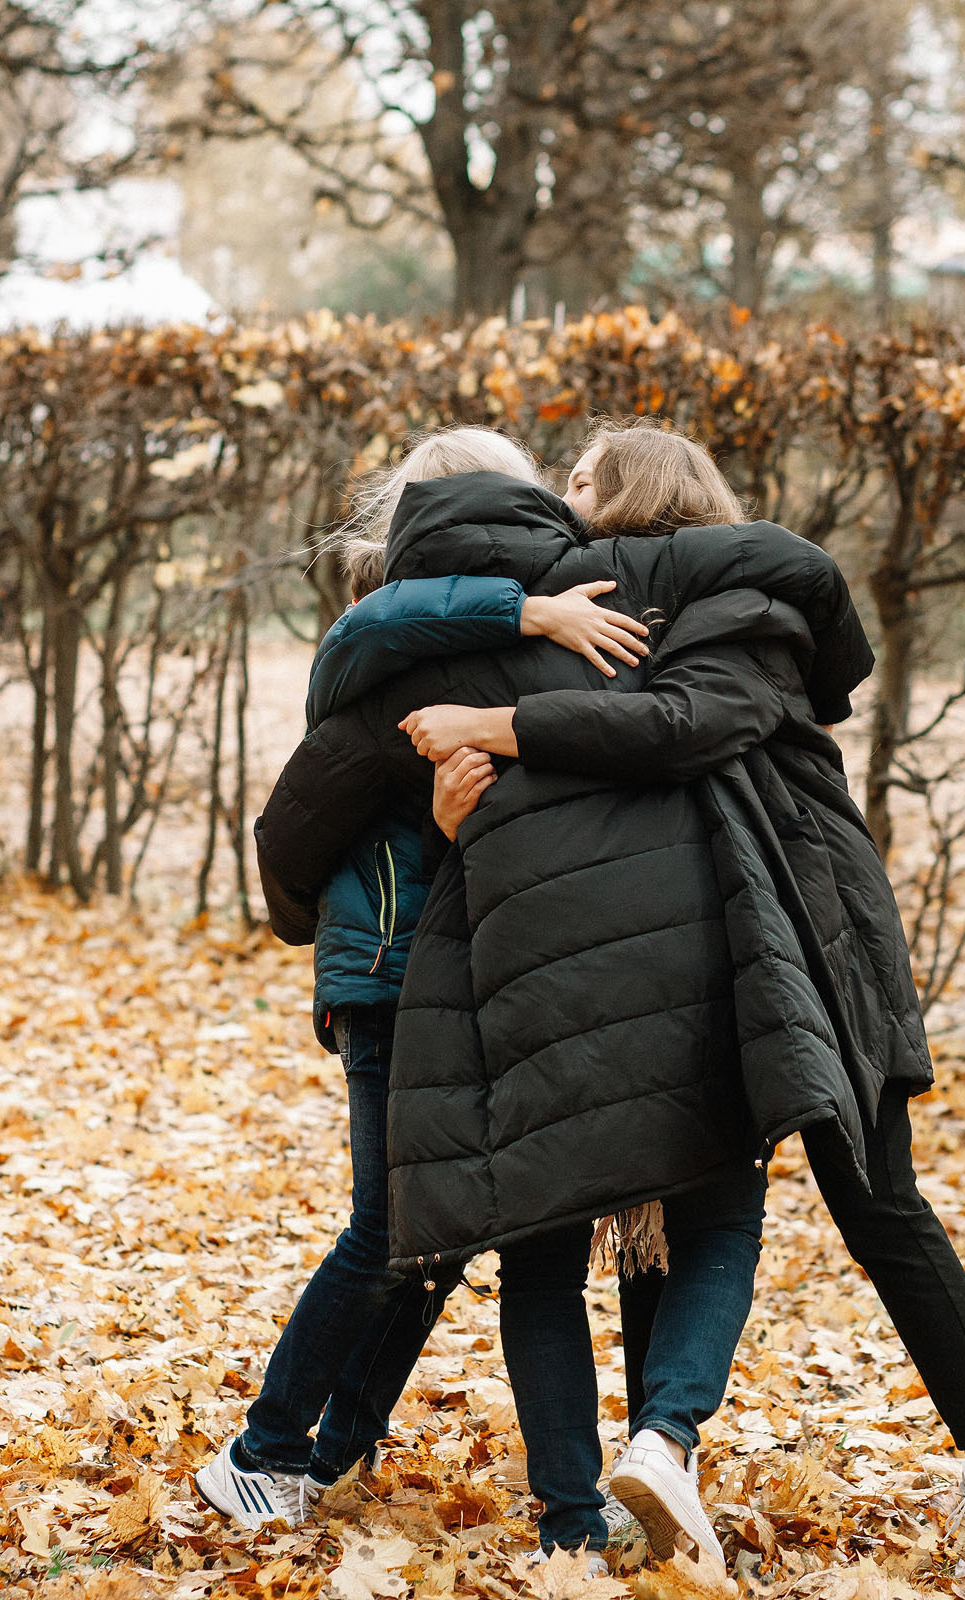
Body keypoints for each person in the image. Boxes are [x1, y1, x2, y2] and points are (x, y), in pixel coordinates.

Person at [269, 422, 965, 1586]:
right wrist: (519, 636)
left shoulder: (725, 608)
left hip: (806, 927)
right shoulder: (604, 605)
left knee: (861, 1196)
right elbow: (382, 647)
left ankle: (963, 1454)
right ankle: (634, 1467)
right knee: (677, 1205)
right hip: (699, 941)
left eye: (578, 482)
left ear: (629, 494)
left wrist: (499, 717)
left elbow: (685, 724)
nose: (561, 503)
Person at [194, 427, 651, 1529]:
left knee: (430, 1242)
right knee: (391, 1225)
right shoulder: (400, 623)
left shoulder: (537, 630)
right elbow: (367, 650)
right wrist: (532, 613)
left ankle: (328, 1456)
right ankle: (260, 1448)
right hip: (396, 964)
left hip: (472, 970)